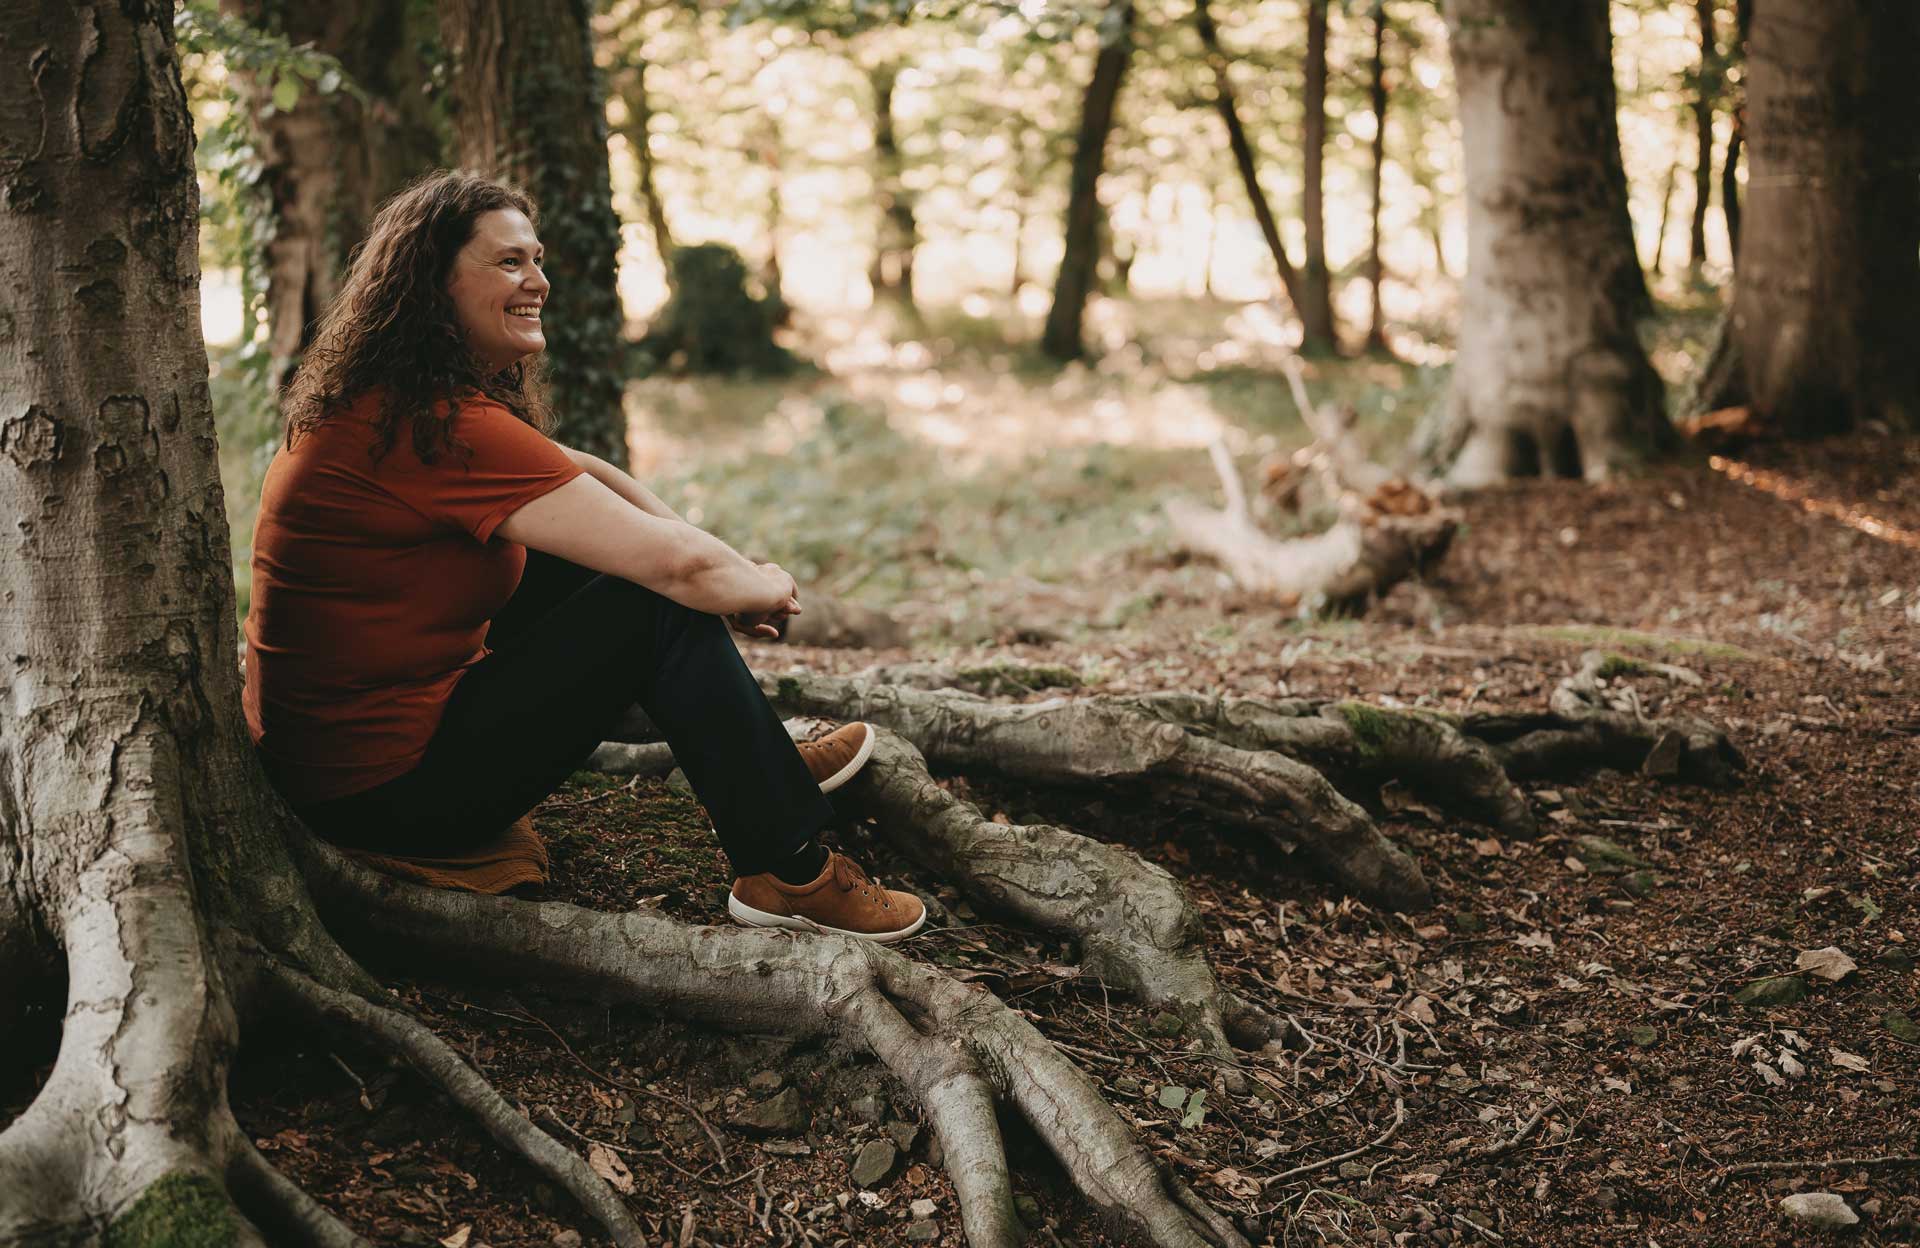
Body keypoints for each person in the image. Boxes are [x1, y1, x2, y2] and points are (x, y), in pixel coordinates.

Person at [243, 170, 924, 942]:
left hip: (336, 765)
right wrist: (747, 583)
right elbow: (676, 572)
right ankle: (790, 872)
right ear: (430, 284)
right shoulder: (437, 427)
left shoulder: (390, 401)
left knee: (614, 567)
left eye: (536, 260)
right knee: (652, 601)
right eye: (507, 263)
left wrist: (727, 571)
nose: (536, 280)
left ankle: (760, 763)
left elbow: (592, 476)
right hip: (385, 794)